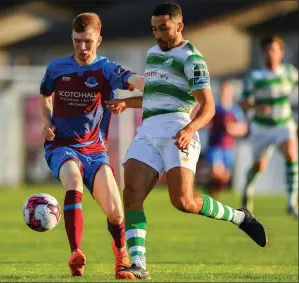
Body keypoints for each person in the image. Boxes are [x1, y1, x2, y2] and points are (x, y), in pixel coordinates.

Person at [106, 3, 268, 279]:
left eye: (163, 28)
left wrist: (190, 129)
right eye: (154, 29)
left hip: (177, 129)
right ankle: (138, 264)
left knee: (183, 201)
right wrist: (127, 102)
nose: (157, 34)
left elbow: (209, 106)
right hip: (148, 130)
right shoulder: (153, 53)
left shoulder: (192, 58)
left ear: (179, 26)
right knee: (131, 193)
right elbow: (156, 96)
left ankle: (240, 217)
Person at [39, 12, 144, 279]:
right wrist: (46, 122)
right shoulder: (56, 68)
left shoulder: (106, 69)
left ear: (99, 39)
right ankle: (76, 254)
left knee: (116, 213)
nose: (82, 48)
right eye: (77, 41)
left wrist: (159, 86)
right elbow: (44, 97)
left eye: (88, 41)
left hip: (95, 152)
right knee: (73, 180)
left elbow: (135, 81)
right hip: (61, 146)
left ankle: (121, 258)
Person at [238, 35, 298, 217]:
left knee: (291, 154)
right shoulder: (255, 76)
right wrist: (255, 107)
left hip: (283, 124)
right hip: (262, 127)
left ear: (281, 53)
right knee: (259, 166)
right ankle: (248, 187)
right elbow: (242, 101)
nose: (271, 53)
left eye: (275, 50)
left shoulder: (289, 73)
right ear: (264, 53)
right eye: (268, 50)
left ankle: (291, 202)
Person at [206, 81, 247, 198]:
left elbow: (243, 128)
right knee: (216, 172)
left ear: (232, 93)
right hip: (215, 145)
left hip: (228, 147)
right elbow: (207, 122)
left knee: (224, 176)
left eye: (227, 91)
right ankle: (212, 191)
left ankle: (214, 193)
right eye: (223, 91)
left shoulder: (235, 110)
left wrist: (233, 129)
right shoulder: (215, 108)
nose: (225, 94)